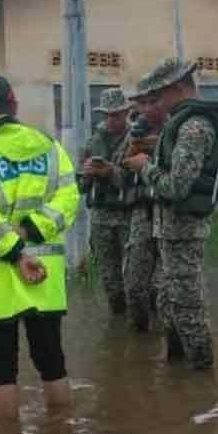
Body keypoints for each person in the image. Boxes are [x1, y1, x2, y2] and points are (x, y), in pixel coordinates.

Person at [0, 75, 80, 418]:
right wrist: (34, 230)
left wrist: (13, 249)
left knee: (1, 367)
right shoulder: (50, 147)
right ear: (14, 105)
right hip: (45, 271)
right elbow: (69, 197)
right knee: (52, 360)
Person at [124, 59, 218, 369]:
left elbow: (175, 187)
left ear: (176, 89)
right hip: (169, 228)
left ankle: (202, 385)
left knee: (187, 307)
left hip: (183, 229)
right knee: (169, 302)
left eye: (156, 98)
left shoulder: (194, 126)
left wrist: (143, 167)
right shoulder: (182, 123)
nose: (150, 107)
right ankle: (177, 378)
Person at [110, 81, 164, 332]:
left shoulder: (179, 129)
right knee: (134, 283)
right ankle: (139, 345)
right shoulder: (135, 134)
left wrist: (150, 160)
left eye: (152, 102)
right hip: (142, 211)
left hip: (173, 212)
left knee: (167, 288)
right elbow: (119, 175)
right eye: (141, 104)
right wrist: (132, 158)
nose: (147, 109)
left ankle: (171, 343)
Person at [80, 88, 131, 316]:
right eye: (108, 115)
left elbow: (138, 181)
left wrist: (111, 172)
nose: (111, 119)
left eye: (116, 114)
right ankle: (118, 323)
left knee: (135, 277)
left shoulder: (138, 139)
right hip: (100, 217)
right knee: (109, 279)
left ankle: (141, 323)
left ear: (126, 113)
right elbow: (80, 187)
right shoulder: (92, 143)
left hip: (128, 215)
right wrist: (88, 174)